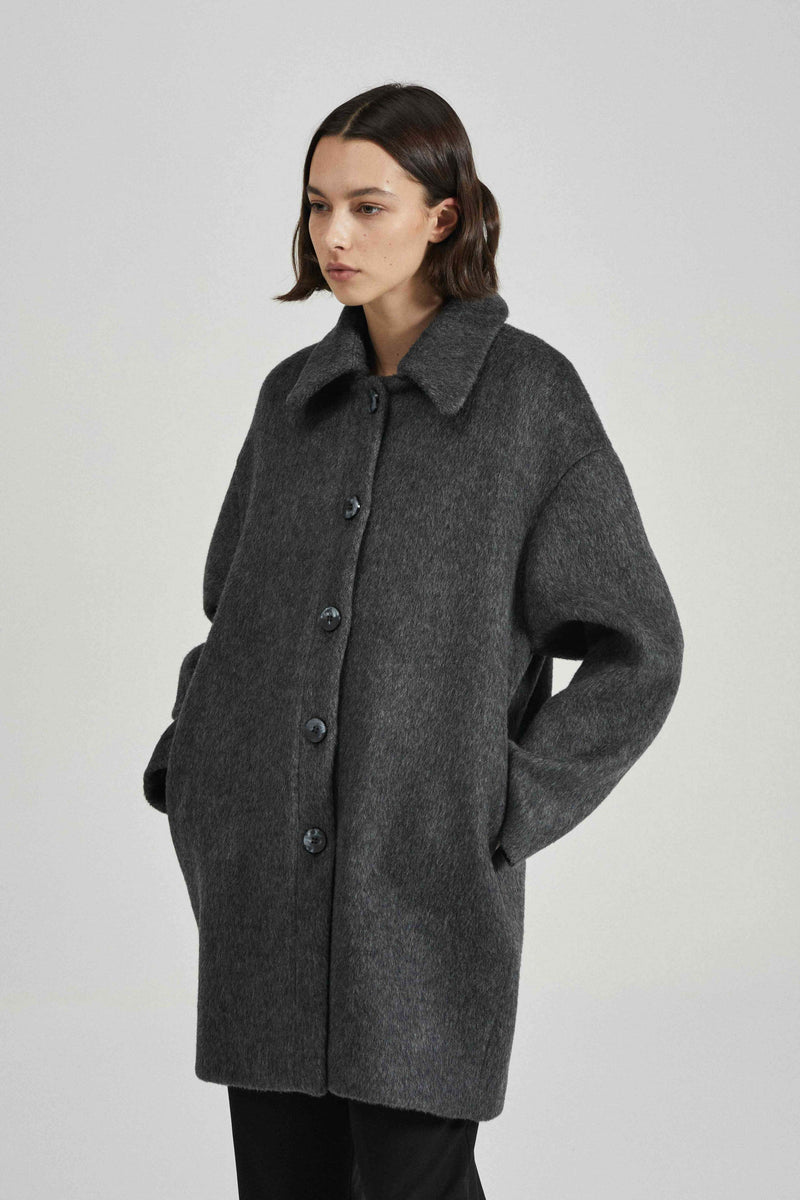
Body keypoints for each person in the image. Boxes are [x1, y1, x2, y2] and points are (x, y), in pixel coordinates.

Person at [143, 82, 684, 1200]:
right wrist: (192, 772)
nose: (334, 235)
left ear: (443, 216)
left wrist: (501, 801)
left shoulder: (528, 400)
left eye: (368, 206)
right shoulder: (290, 402)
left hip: (423, 894)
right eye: (317, 205)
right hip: (262, 897)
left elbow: (638, 645)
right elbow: (230, 615)